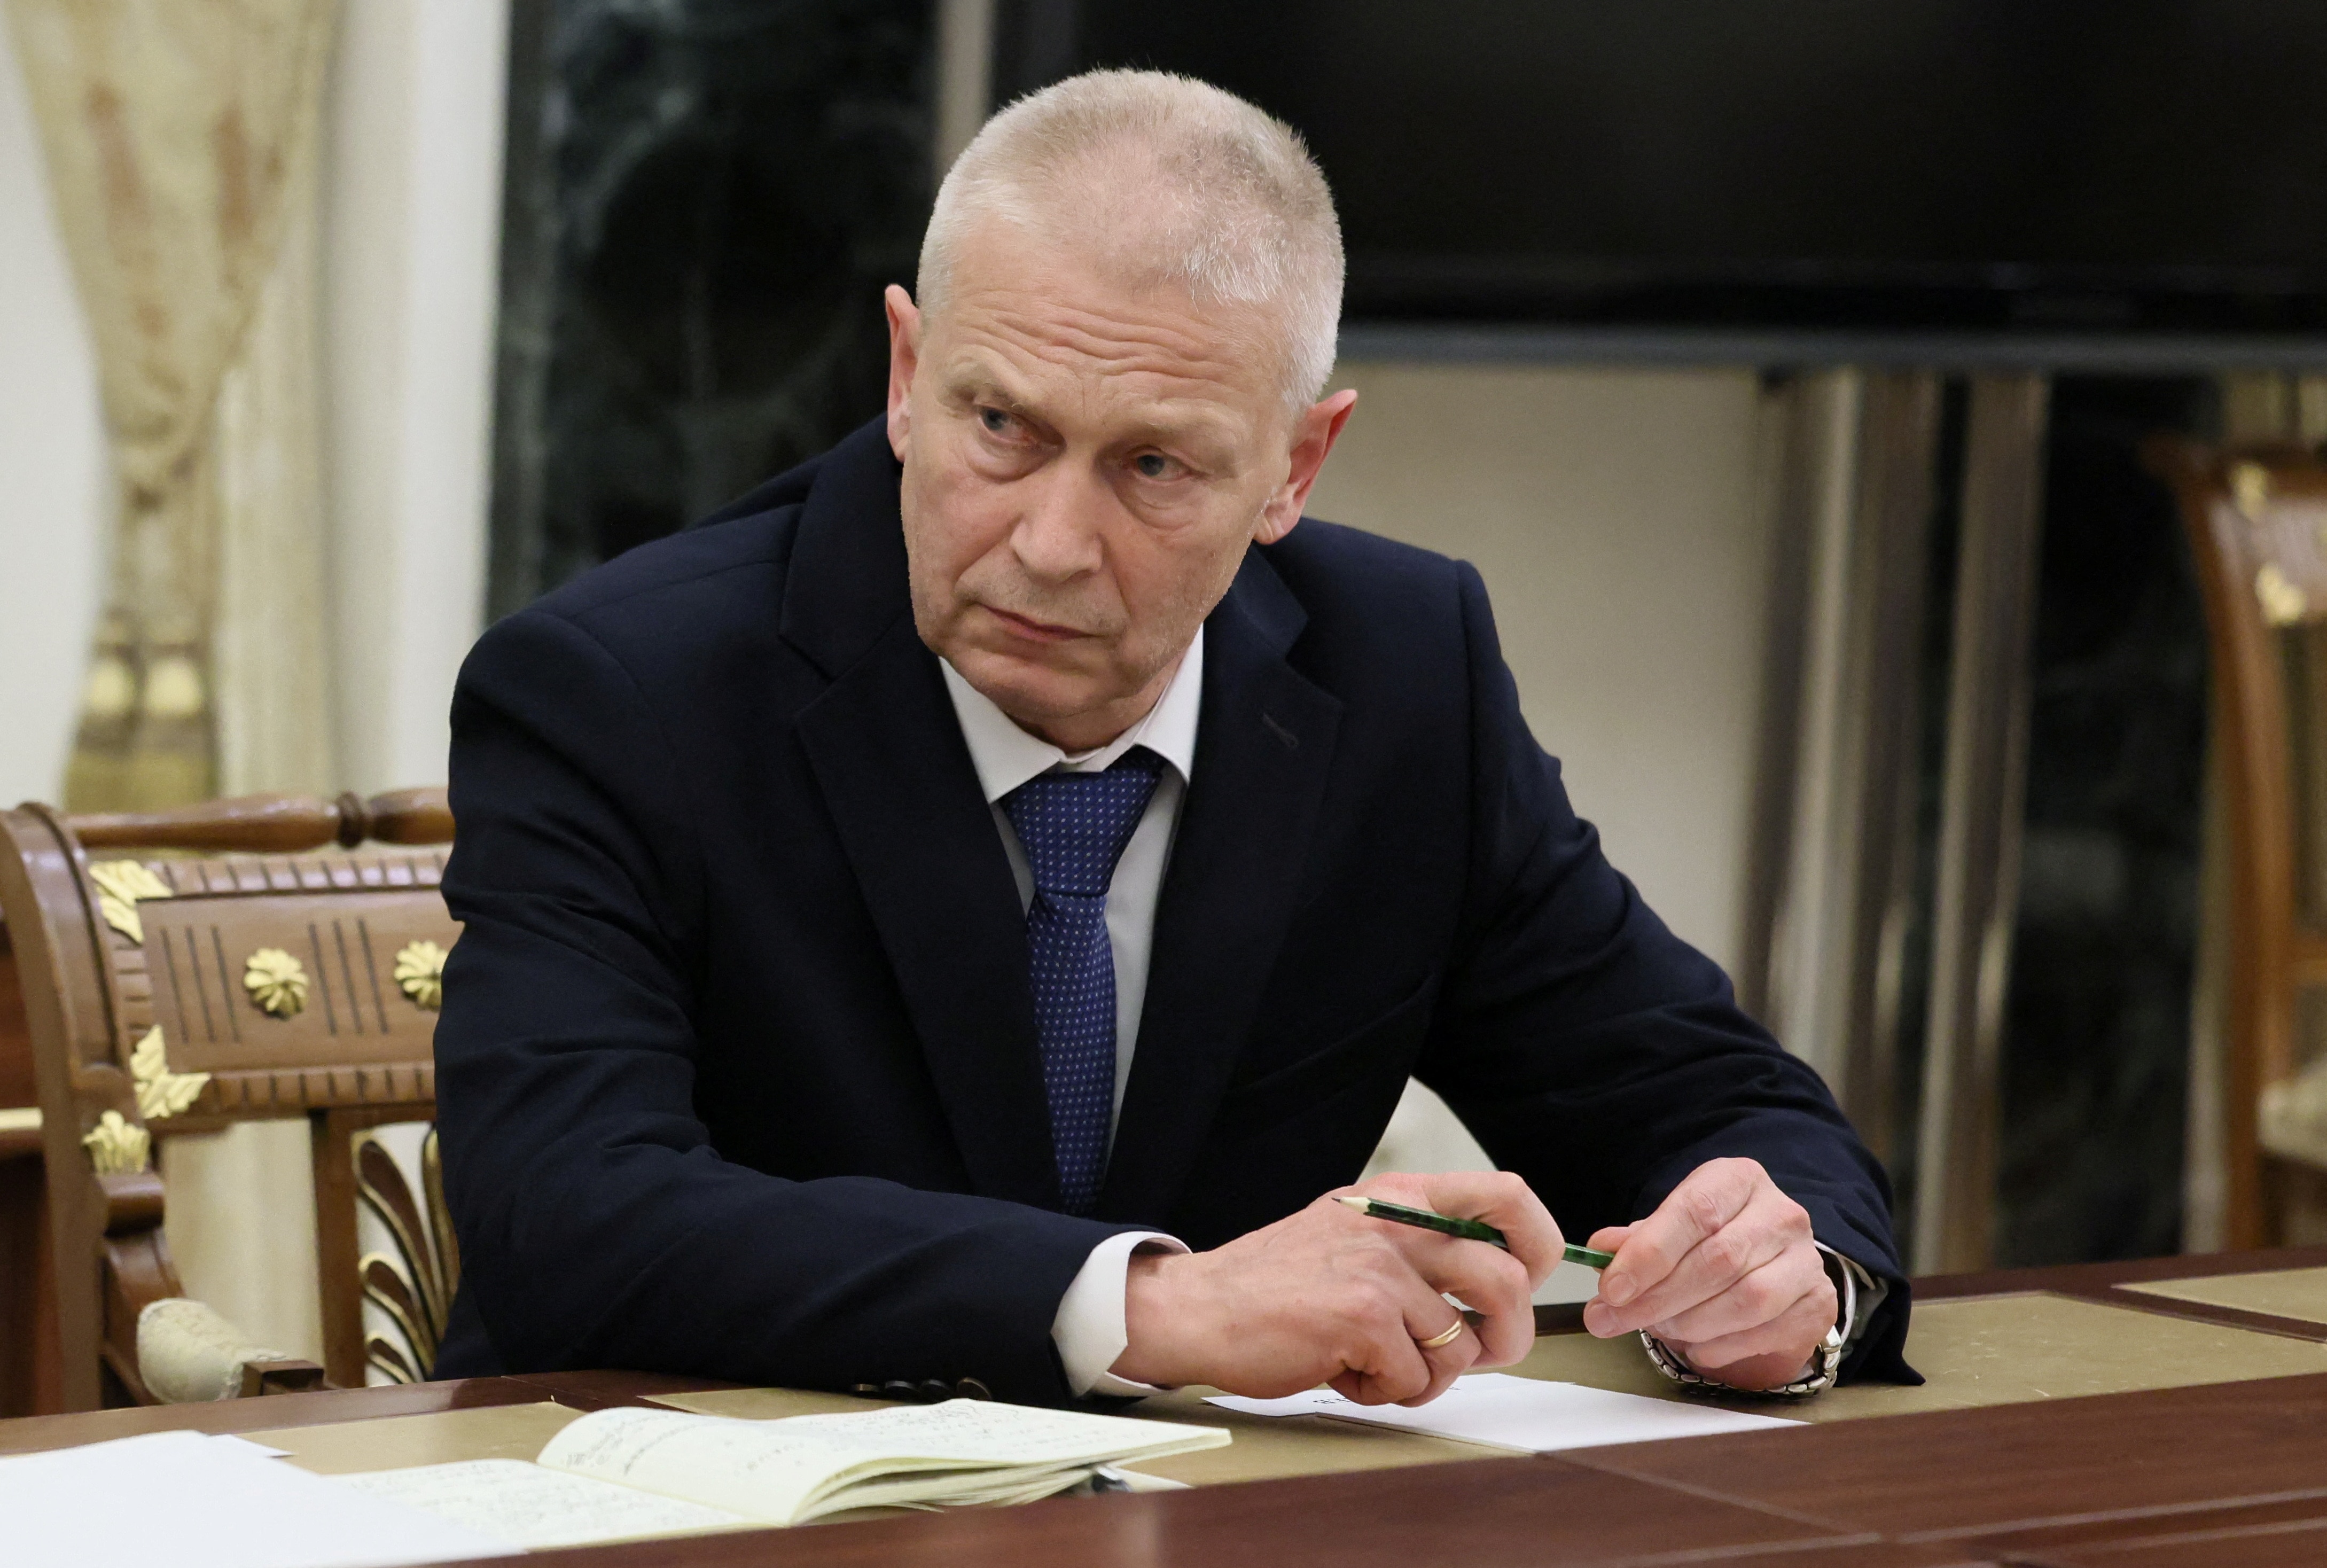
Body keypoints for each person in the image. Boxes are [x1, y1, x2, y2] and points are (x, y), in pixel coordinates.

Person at [432, 68, 1913, 1410]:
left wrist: (1781, 1279)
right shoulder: (616, 692)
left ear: (1294, 467)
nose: (1051, 543)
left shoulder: (1401, 676)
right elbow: (572, 1220)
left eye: (1151, 464)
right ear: (904, 372)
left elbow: (1705, 1101)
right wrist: (1149, 1303)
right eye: (1000, 425)